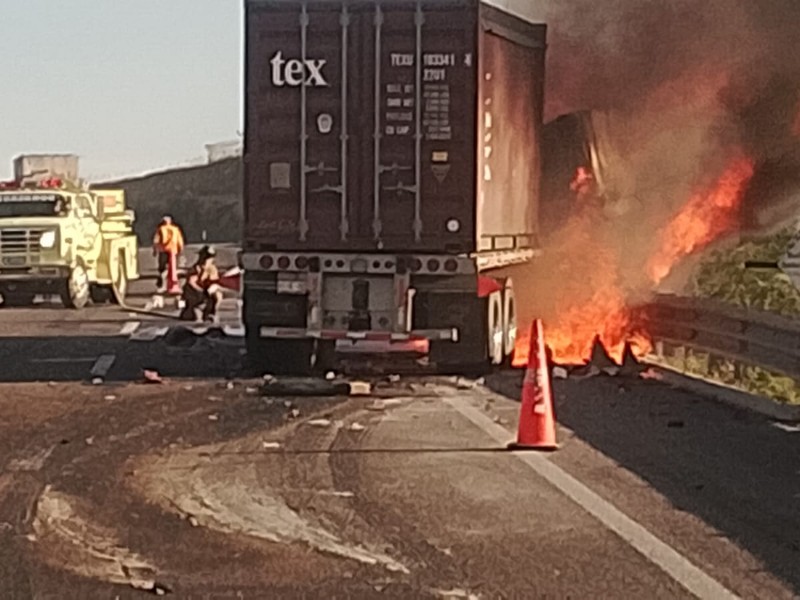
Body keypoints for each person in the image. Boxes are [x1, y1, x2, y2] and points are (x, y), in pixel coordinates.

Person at [180, 245, 223, 322]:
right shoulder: (196, 268)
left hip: (204, 294)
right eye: (204, 257)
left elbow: (214, 282)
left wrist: (211, 287)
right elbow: (191, 282)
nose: (206, 260)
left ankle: (210, 313)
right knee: (189, 317)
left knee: (217, 295)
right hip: (192, 294)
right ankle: (192, 309)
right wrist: (202, 290)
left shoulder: (212, 269)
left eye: (209, 258)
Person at [153, 215, 185, 292]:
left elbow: (156, 241)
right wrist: (180, 249)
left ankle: (162, 281)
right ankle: (172, 284)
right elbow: (180, 240)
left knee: (162, 268)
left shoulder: (160, 229)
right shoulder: (175, 229)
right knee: (172, 268)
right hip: (173, 250)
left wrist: (155, 250)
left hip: (163, 250)